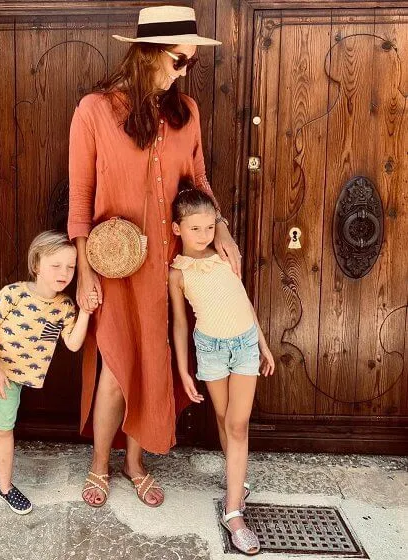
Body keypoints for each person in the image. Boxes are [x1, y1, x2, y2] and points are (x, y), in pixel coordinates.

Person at [68, 5, 242, 508]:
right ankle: (101, 464)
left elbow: (199, 181)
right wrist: (84, 273)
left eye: (189, 62)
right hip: (115, 267)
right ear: (147, 54)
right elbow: (81, 197)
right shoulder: (95, 111)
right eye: (177, 60)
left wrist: (221, 229)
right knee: (117, 370)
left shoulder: (186, 113)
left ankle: (136, 463)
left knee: (152, 365)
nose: (183, 71)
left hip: (168, 267)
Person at [0, 231, 95, 514]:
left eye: (70, 267)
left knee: (4, 432)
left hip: (11, 380)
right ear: (37, 265)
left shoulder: (64, 307)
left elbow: (73, 345)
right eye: (56, 265)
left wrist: (85, 311)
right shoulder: (15, 293)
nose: (64, 273)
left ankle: (5, 486)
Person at [168, 182, 275, 554]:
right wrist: (183, 369)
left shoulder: (225, 256)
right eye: (195, 228)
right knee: (223, 416)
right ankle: (236, 478)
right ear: (177, 229)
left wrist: (262, 343)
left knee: (237, 423)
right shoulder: (178, 272)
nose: (203, 235)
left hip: (243, 342)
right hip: (210, 349)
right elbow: (180, 324)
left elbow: (242, 301)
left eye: (210, 227)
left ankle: (234, 512)